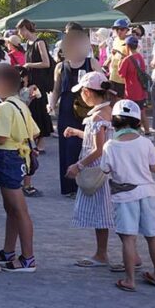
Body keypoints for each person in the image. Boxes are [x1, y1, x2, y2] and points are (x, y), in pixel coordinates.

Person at [101, 100, 155, 292]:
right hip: (147, 192)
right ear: (138, 122)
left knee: (129, 238)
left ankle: (130, 279)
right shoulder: (145, 142)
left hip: (124, 195)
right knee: (153, 235)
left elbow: (105, 169)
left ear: (115, 122)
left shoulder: (110, 145)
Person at [0, 63, 38, 272]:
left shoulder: (4, 107)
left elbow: (0, 136)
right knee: (12, 209)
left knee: (18, 209)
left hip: (7, 155)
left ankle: (28, 257)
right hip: (19, 155)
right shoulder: (19, 103)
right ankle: (9, 251)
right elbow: (34, 131)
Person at [64, 72, 115, 268]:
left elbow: (98, 149)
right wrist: (78, 132)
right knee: (114, 214)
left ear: (87, 92)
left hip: (97, 170)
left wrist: (78, 166)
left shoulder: (96, 117)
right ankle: (131, 254)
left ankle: (101, 254)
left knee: (101, 214)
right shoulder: (111, 112)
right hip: (111, 168)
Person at [50, 28, 101, 195]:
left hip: (87, 108)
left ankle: (87, 182)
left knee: (86, 144)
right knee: (67, 147)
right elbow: (56, 89)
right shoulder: (60, 67)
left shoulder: (91, 63)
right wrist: (51, 104)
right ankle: (69, 186)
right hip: (66, 109)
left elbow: (103, 84)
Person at [17, 19, 54, 141]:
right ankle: (36, 136)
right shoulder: (28, 43)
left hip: (40, 81)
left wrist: (29, 65)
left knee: (39, 108)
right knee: (33, 109)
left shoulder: (40, 42)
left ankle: (42, 139)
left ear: (25, 29)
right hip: (32, 80)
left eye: (20, 30)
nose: (19, 33)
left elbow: (46, 63)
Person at [118, 35, 150, 133]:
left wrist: (120, 61)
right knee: (142, 111)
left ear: (127, 46)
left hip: (131, 91)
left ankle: (134, 131)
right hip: (141, 89)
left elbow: (121, 74)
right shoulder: (140, 57)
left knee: (131, 113)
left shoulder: (126, 60)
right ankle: (147, 131)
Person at [106, 19, 131, 96]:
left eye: (122, 29)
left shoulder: (129, 42)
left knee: (119, 101)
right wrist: (108, 61)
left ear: (126, 30)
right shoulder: (116, 40)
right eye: (116, 29)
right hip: (113, 75)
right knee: (111, 99)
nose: (119, 31)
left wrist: (121, 55)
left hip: (122, 79)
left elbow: (132, 59)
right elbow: (113, 53)